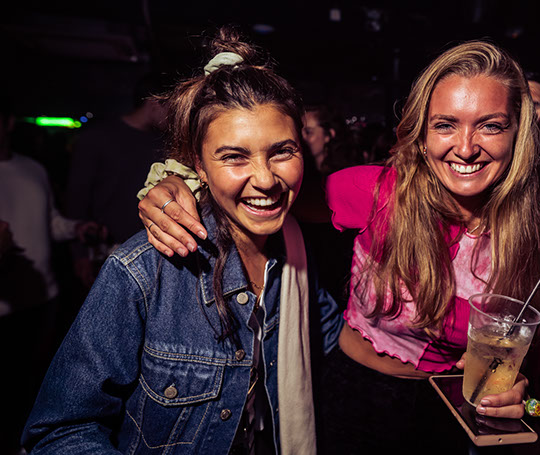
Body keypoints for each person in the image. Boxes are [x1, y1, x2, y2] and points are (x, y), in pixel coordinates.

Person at [137, 40, 540, 453]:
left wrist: (521, 397)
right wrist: (178, 183)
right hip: (355, 398)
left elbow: (524, 367)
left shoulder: (524, 229)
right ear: (422, 134)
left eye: (491, 126)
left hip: (452, 412)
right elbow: (269, 191)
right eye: (445, 125)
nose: (466, 147)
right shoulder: (379, 192)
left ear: (517, 134)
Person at [22, 27, 341, 455]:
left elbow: (333, 340)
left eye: (282, 151)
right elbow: (59, 430)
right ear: (197, 166)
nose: (265, 180)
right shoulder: (142, 270)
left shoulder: (296, 250)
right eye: (234, 156)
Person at [0, 97, 102, 455]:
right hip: (2, 306)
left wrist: (76, 228)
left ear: (8, 123)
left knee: (34, 386)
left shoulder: (33, 169)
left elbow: (50, 222)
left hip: (44, 298)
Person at [66, 72, 168, 288]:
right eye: (170, 107)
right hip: (105, 250)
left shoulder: (163, 143)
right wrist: (79, 253)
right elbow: (77, 197)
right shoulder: (97, 137)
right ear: (154, 102)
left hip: (150, 249)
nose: (173, 115)